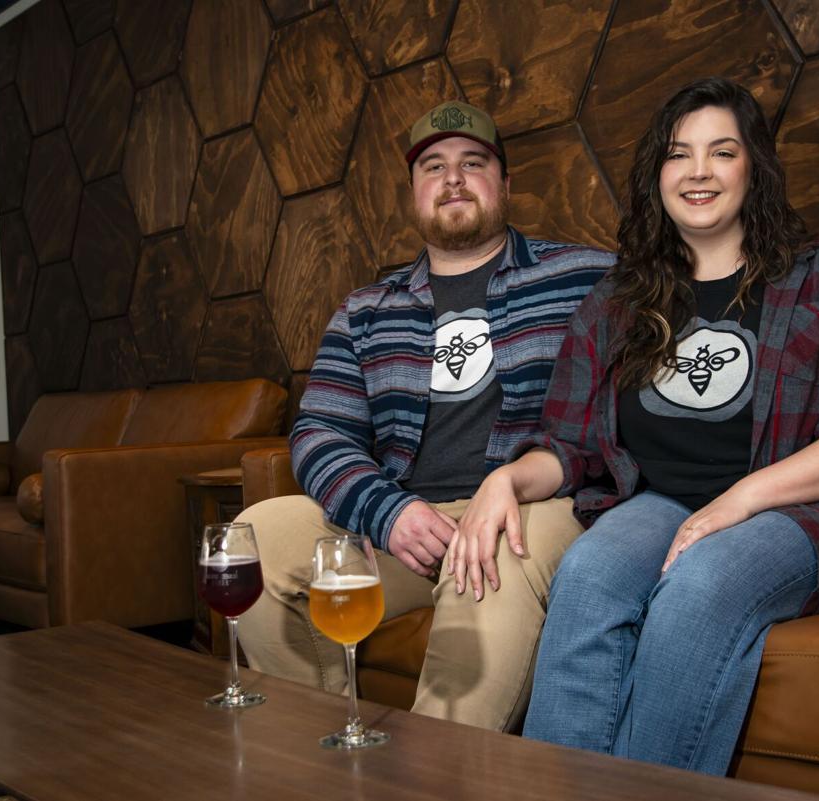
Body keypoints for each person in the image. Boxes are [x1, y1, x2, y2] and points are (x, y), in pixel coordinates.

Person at [455, 77, 819, 772]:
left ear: (752, 167)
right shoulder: (619, 300)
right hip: (664, 502)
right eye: (678, 154)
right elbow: (570, 445)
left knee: (700, 583)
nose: (698, 171)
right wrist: (506, 480)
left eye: (721, 152)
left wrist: (741, 499)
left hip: (815, 513)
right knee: (588, 573)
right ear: (657, 175)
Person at [235, 100, 614, 732]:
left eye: (474, 163)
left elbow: (630, 409)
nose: (454, 179)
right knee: (260, 537)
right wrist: (389, 512)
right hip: (407, 522)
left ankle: (432, 783)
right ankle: (325, 754)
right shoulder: (367, 309)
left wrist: (522, 483)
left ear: (505, 184)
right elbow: (320, 432)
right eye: (434, 167)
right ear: (414, 192)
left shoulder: (586, 278)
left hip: (525, 511)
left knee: (500, 555)